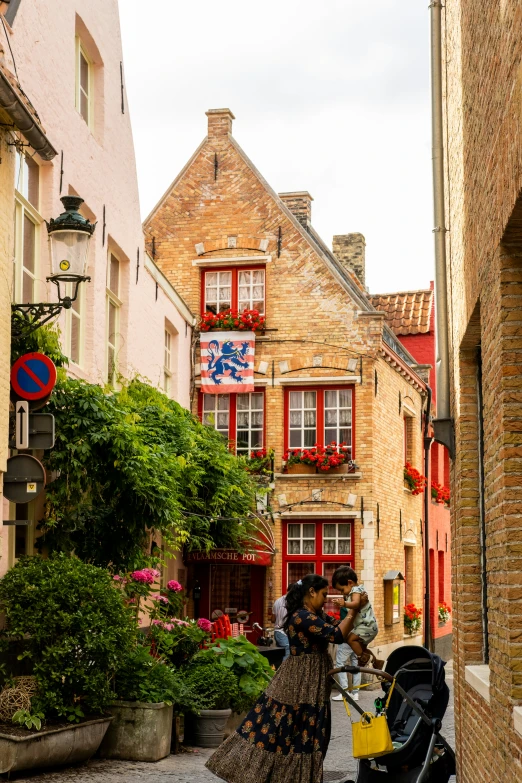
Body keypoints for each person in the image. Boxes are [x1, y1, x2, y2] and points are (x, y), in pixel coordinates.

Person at [206, 573, 364, 783]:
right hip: (298, 680)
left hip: (313, 680)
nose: (326, 600)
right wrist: (354, 609)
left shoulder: (315, 614)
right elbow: (335, 635)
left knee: (312, 728)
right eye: (324, 595)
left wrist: (361, 642)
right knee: (285, 725)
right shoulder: (301, 616)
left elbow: (340, 629)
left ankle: (298, 777)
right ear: (311, 592)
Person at [332, 565, 382, 670]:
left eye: (342, 590)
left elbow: (356, 604)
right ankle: (376, 662)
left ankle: (362, 658)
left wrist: (344, 603)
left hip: (366, 625)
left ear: (350, 583)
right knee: (361, 648)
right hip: (365, 626)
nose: (342, 593)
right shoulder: (354, 591)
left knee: (351, 639)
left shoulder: (356, 590)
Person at [271, 591, 290, 660]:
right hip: (283, 632)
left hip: (277, 632)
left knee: (279, 654)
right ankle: (285, 670)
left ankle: (278, 669)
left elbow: (272, 619)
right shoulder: (290, 602)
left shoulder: (277, 601)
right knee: (287, 653)